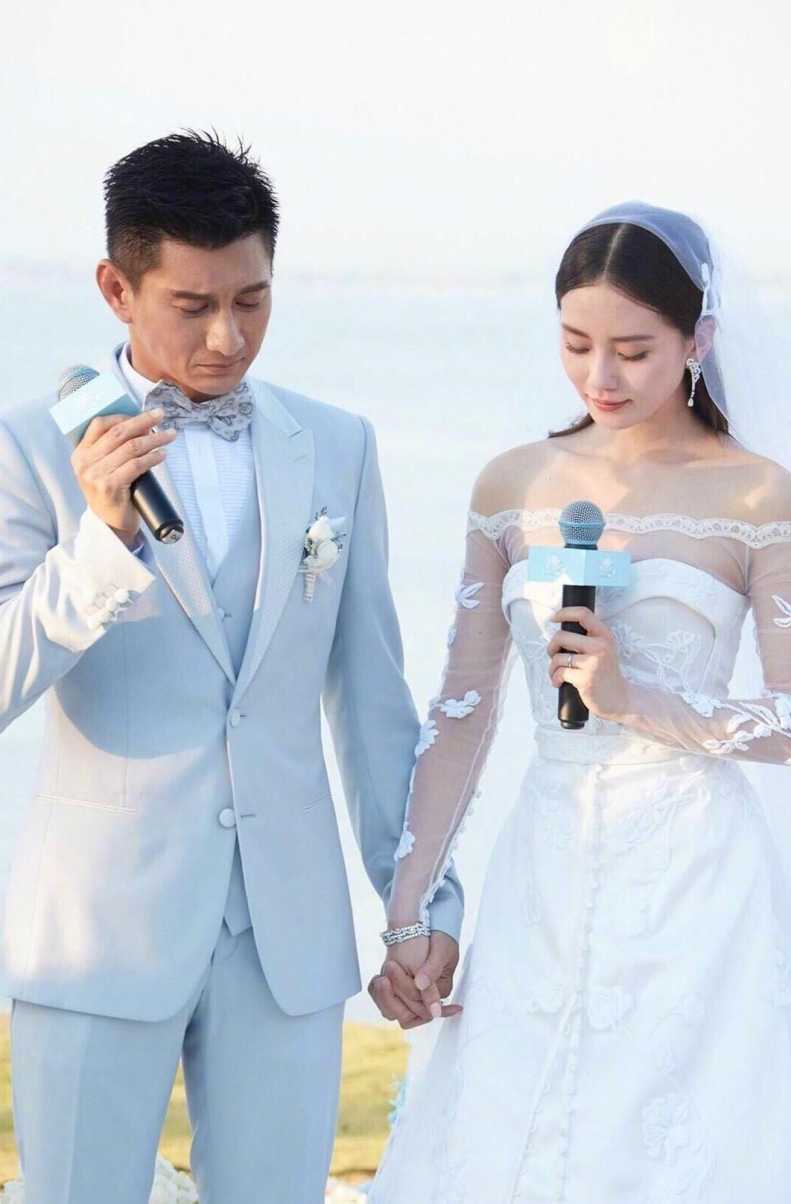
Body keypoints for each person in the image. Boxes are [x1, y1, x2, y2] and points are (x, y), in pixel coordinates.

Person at [0, 130, 462, 1204]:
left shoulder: (337, 445)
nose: (228, 336)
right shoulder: (27, 450)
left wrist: (417, 902)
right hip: (99, 933)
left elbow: (373, 702)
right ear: (116, 288)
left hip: (286, 937)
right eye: (193, 304)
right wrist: (101, 542)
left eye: (253, 300)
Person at [368, 202, 791, 1202]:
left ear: (696, 341)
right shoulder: (512, 484)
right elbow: (461, 712)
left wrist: (633, 697)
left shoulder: (758, 498)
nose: (600, 377)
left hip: (695, 879)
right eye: (575, 344)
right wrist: (407, 910)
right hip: (545, 865)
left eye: (632, 351)